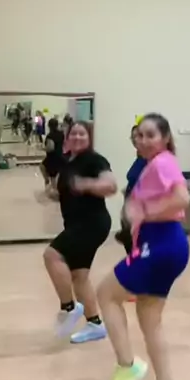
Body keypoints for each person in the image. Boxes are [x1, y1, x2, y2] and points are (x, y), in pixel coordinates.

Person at [97, 113, 190, 380]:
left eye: (151, 135)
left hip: (162, 244)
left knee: (105, 294)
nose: (144, 140)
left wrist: (144, 212)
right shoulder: (155, 164)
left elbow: (182, 198)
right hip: (164, 244)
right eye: (139, 135)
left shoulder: (163, 162)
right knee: (149, 318)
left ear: (165, 138)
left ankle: (127, 365)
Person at [43, 121, 117, 344]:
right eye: (73, 133)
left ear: (89, 137)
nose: (77, 137)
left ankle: (69, 307)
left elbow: (110, 185)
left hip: (91, 223)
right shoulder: (69, 162)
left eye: (82, 134)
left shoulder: (94, 160)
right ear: (67, 138)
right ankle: (95, 324)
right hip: (76, 223)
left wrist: (85, 185)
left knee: (52, 255)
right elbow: (66, 191)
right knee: (79, 276)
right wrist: (53, 193)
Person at [115, 122, 147, 253]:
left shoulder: (150, 159)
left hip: (140, 211)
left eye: (138, 136)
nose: (135, 140)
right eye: (132, 137)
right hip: (130, 209)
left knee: (137, 250)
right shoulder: (139, 157)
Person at [40, 117, 65, 190]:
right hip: (60, 155)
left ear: (49, 126)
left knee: (45, 169)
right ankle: (52, 186)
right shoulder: (61, 134)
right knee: (45, 168)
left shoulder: (50, 135)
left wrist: (42, 148)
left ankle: (48, 182)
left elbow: (51, 148)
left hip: (52, 157)